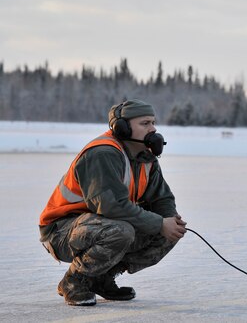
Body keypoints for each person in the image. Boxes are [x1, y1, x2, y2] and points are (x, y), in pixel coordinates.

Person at [39, 99, 187, 306]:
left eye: (153, 122)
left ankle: (101, 277)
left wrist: (169, 220)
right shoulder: (102, 153)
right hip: (60, 231)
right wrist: (159, 223)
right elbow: (111, 206)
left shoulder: (145, 157)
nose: (153, 129)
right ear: (123, 128)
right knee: (121, 230)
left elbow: (162, 198)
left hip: (101, 223)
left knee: (170, 230)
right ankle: (74, 281)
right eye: (145, 123)